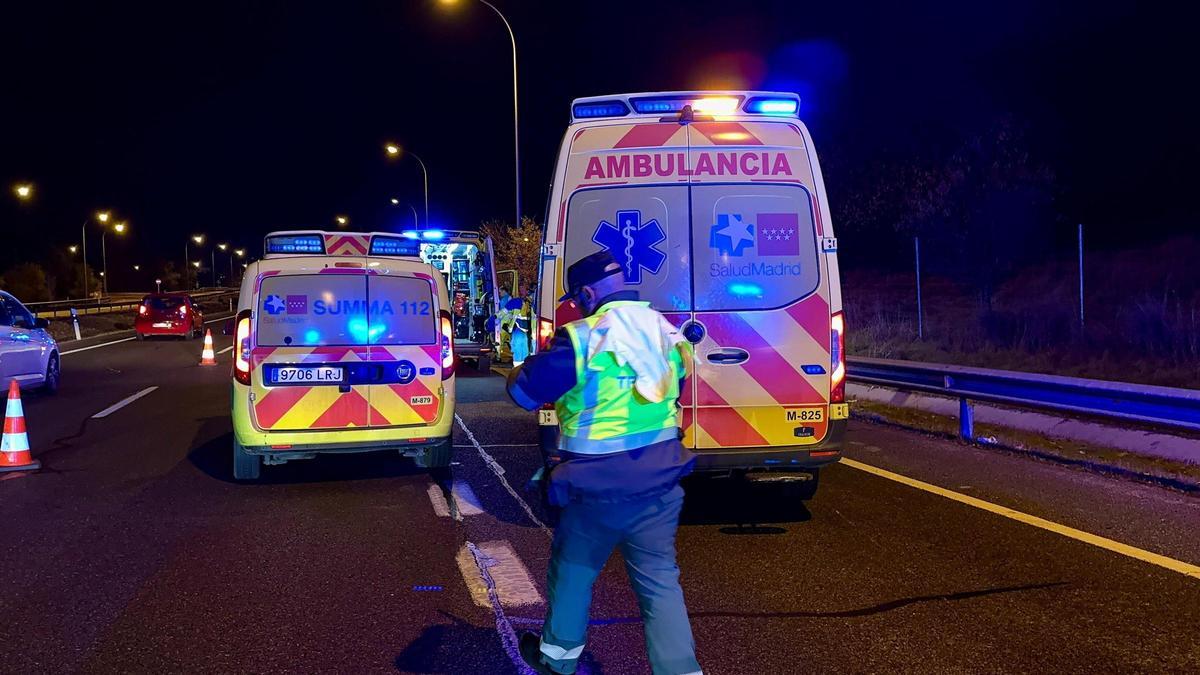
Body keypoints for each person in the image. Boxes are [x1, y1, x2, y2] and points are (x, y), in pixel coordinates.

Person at [506, 250, 703, 675]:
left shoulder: (582, 337)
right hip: (660, 481)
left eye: (578, 300)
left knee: (574, 571)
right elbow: (677, 388)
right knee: (659, 581)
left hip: (594, 490)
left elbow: (522, 393)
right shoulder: (668, 333)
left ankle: (557, 660)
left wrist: (522, 365)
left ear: (588, 293)